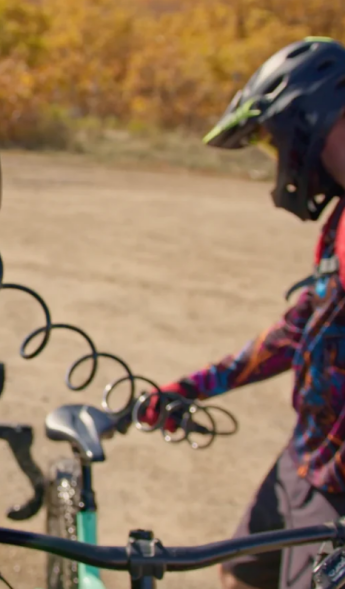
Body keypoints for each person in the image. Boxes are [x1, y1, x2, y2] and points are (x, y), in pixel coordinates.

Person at [142, 36, 345, 589]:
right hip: (307, 457)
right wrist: (193, 387)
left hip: (338, 494)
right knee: (242, 575)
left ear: (308, 120)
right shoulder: (340, 218)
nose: (280, 160)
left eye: (275, 141)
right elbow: (302, 326)